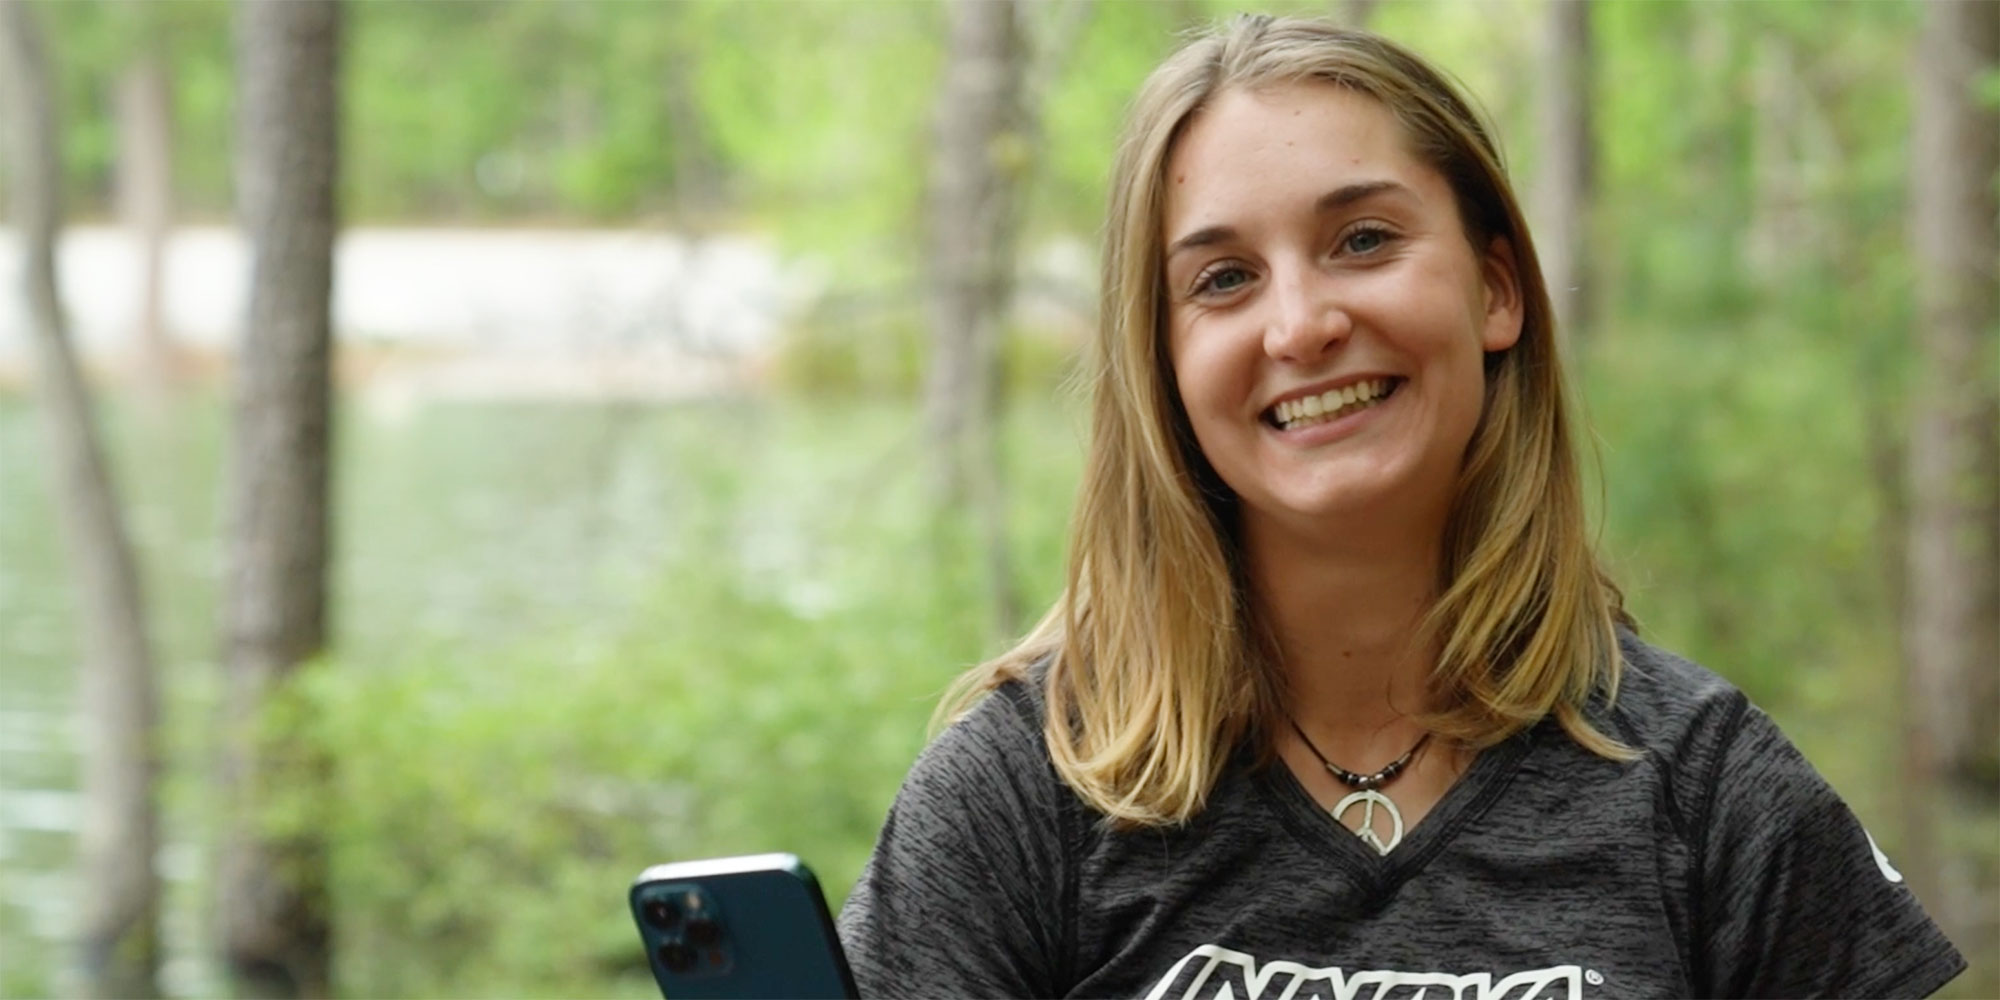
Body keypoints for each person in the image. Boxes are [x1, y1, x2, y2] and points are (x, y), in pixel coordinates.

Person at [837, 14, 1965, 999]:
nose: (1300, 326)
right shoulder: (1016, 800)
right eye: (1223, 279)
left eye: (1363, 240)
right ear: (1162, 363)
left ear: (1495, 289)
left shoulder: (1706, 791)